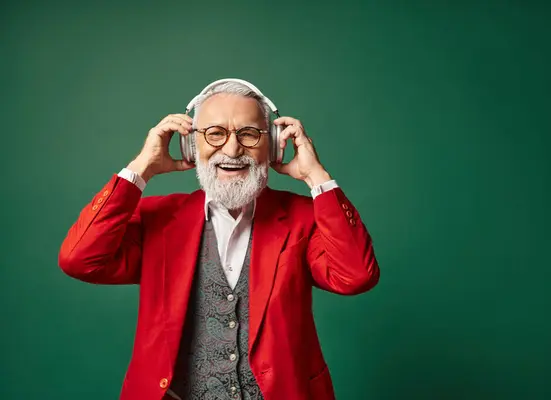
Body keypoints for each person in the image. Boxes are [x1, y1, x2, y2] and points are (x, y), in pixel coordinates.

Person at [58, 79, 380, 400]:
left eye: (249, 133)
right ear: (191, 145)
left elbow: (356, 276)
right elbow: (79, 259)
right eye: (215, 133)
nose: (232, 149)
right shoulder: (159, 220)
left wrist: (315, 176)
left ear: (273, 145)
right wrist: (141, 169)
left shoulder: (302, 219)